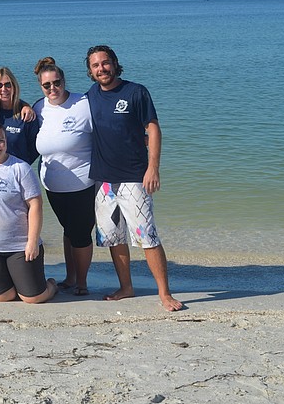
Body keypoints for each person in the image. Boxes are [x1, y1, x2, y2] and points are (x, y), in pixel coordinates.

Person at [85, 45, 183, 311]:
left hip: (134, 178)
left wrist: (153, 167)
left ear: (115, 64)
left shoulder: (135, 92)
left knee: (146, 236)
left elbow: (152, 128)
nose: (101, 69)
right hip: (103, 182)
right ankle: (126, 287)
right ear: (90, 72)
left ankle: (164, 293)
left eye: (105, 63)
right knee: (114, 238)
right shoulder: (90, 96)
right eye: (95, 66)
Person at [0, 121, 58, 303]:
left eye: (0, 141)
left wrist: (32, 242)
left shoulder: (20, 168)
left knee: (33, 298)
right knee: (2, 297)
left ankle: (52, 285)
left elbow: (35, 205)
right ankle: (16, 279)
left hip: (19, 245)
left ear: (6, 141)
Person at [33, 57, 96, 296]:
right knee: (68, 230)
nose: (52, 89)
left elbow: (107, 129)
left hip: (83, 183)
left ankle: (82, 282)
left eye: (56, 83)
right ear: (41, 86)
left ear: (63, 80)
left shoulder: (83, 103)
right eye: (46, 85)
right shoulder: (40, 108)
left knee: (80, 234)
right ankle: (70, 278)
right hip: (53, 186)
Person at [0, 67, 39, 164]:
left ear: (14, 86)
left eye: (8, 85)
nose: (4, 89)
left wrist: (22, 166)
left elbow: (35, 148)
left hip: (18, 172)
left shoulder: (26, 115)